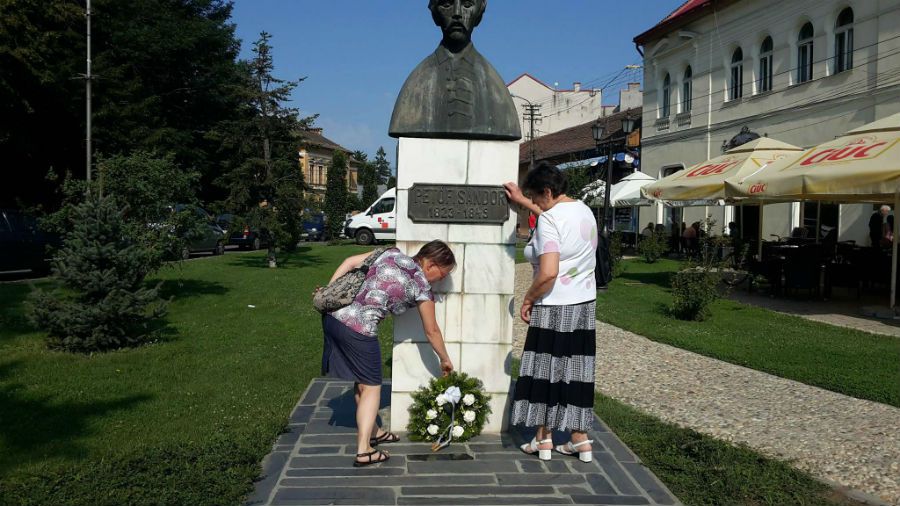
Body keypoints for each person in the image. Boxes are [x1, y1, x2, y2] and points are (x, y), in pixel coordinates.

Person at [322, 241, 456, 466]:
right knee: (373, 386)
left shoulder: (390, 253)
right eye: (442, 274)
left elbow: (349, 262)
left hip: (332, 318)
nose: (441, 280)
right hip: (359, 329)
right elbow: (432, 331)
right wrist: (445, 359)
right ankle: (364, 451)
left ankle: (374, 432)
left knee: (363, 382)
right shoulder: (421, 285)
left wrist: (329, 293)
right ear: (431, 264)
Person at [504, 162, 598, 463]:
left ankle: (543, 439)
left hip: (554, 305)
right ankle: (580, 440)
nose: (535, 202)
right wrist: (522, 201)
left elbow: (548, 273)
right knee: (576, 374)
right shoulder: (583, 209)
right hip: (584, 306)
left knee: (546, 373)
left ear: (546, 191)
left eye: (536, 196)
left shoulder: (549, 220)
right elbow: (551, 215)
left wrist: (528, 299)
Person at [388, 0, 520, 140]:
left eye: (467, 5)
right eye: (447, 5)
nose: (457, 13)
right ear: (435, 15)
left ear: (479, 15)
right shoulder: (417, 82)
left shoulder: (494, 85)